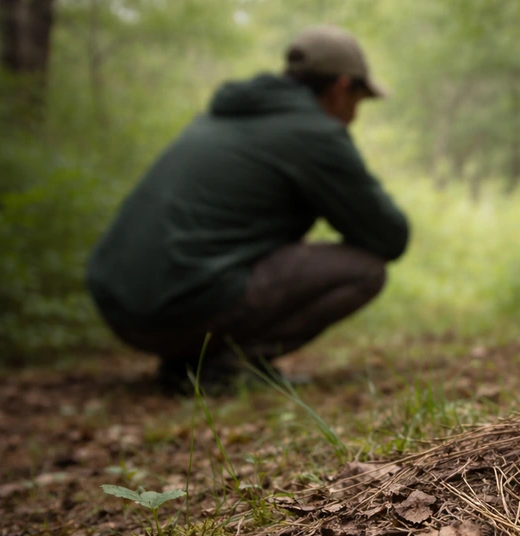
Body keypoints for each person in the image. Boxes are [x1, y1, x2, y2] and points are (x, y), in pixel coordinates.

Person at [86, 25, 409, 392]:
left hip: (118, 307)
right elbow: (390, 236)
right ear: (339, 88)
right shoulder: (314, 134)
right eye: (358, 100)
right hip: (174, 315)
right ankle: (222, 367)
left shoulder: (222, 117)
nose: (354, 114)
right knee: (363, 270)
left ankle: (189, 362)